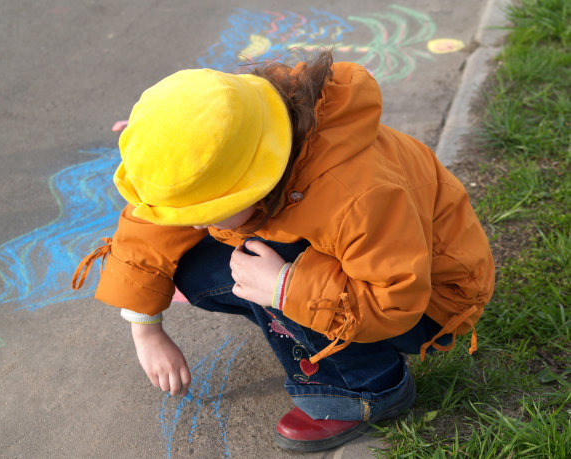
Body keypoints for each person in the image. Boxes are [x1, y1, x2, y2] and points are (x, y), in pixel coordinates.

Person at [72, 51, 495, 452]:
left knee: (256, 276)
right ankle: (287, 308)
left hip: (428, 304)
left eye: (209, 211)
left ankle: (367, 388)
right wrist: (145, 325)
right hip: (370, 266)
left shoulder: (357, 194)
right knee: (194, 264)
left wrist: (284, 287)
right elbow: (154, 218)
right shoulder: (249, 127)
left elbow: (396, 299)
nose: (198, 223)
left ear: (256, 182)